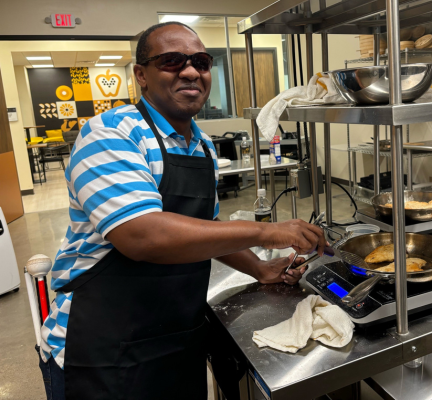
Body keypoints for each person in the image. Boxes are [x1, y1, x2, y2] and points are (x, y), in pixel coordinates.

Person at [36, 21, 326, 400]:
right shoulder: (110, 133)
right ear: (141, 74)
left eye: (201, 62)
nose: (191, 71)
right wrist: (268, 231)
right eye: (172, 61)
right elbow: (143, 235)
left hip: (177, 342)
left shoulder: (201, 144)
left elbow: (204, 228)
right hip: (103, 350)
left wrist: (259, 268)